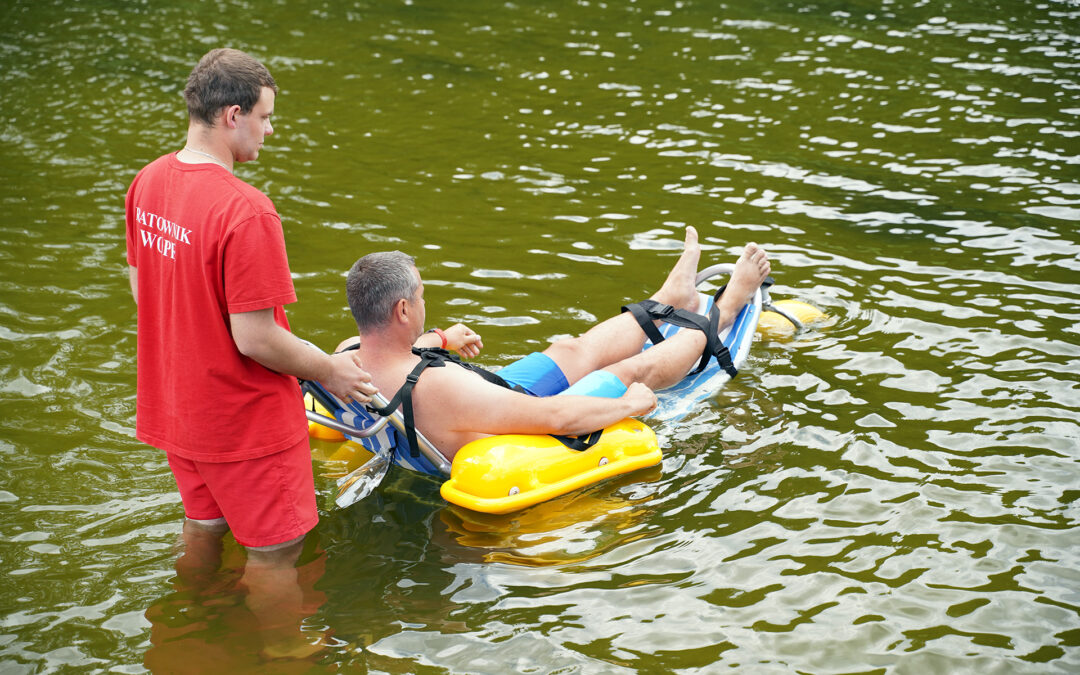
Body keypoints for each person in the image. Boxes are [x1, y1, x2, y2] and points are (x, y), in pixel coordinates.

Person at [125, 48, 376, 657]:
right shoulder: (245, 208)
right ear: (232, 114)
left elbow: (142, 288)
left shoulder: (148, 182)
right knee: (274, 553)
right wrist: (332, 370)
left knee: (205, 527)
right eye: (266, 116)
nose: (271, 129)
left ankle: (193, 620)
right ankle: (285, 655)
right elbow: (256, 337)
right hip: (244, 423)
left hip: (176, 411)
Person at [339, 226, 771, 458]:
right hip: (482, 415)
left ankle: (668, 298)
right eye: (420, 296)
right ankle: (727, 307)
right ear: (401, 311)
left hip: (479, 393)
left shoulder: (343, 359)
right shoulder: (438, 388)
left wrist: (439, 338)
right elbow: (558, 416)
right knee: (624, 373)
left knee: (568, 348)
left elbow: (397, 352)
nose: (423, 301)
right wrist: (631, 405)